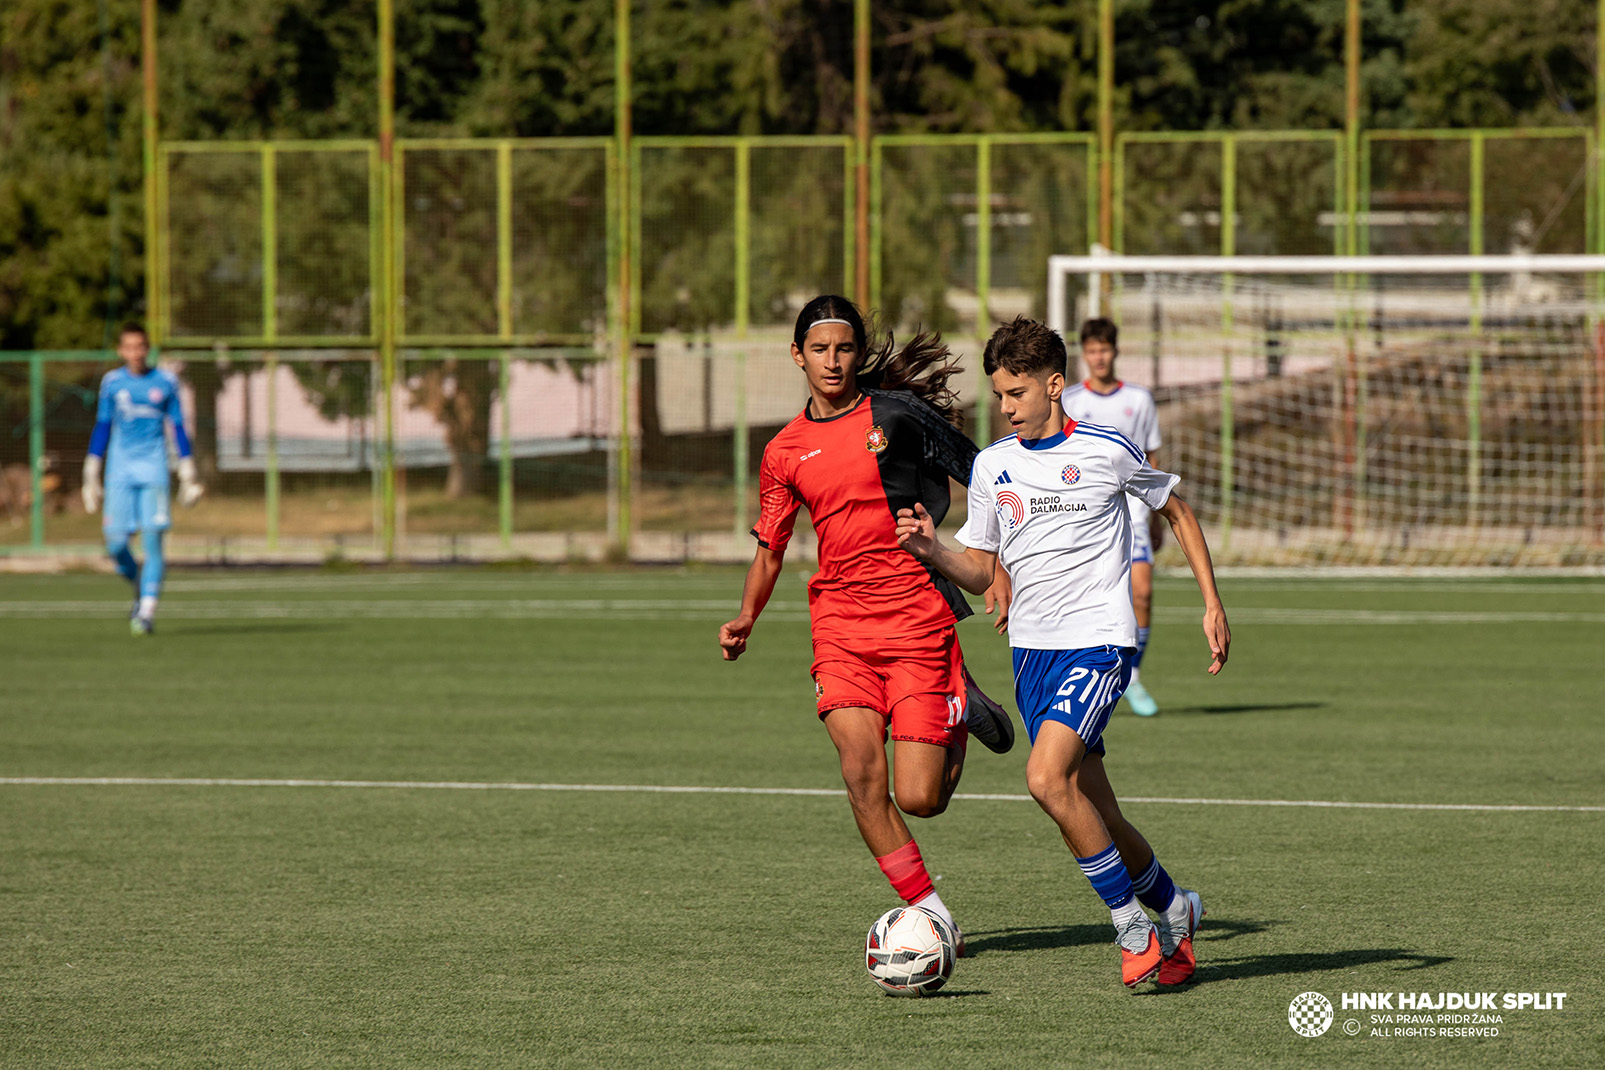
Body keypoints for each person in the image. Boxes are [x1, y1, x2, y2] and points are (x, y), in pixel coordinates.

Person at [895, 316, 1230, 987]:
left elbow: (1178, 510)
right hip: (1031, 655)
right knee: (1094, 811)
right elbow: (982, 567)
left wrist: (1211, 602)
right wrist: (933, 551)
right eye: (997, 394)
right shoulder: (993, 466)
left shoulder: (1107, 450)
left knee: (1045, 779)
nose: (1004, 406)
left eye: (1015, 392)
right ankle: (1174, 906)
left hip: (1098, 643)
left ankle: (1134, 931)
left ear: (1053, 386)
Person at [718, 295, 1014, 950]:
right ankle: (932, 914)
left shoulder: (896, 415)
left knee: (919, 799)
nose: (832, 361)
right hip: (841, 628)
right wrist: (746, 616)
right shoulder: (783, 451)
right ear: (797, 355)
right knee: (859, 771)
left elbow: (987, 476)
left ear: (857, 355)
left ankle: (961, 713)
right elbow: (770, 546)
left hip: (915, 621)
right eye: (819, 349)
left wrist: (993, 564)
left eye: (844, 349)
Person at [1063, 317, 1163, 716]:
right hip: (1087, 514)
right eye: (1091, 350)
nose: (1099, 357)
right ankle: (1081, 674)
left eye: (1104, 349)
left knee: (1142, 593)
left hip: (1134, 512)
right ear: (1084, 354)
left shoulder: (1139, 399)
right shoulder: (1070, 399)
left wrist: (1158, 515)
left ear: (1115, 351)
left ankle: (1133, 677)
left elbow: (1153, 457)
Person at [81, 324, 204, 635]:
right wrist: (91, 469)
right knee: (116, 544)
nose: (135, 353)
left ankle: (146, 611)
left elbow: (177, 426)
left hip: (154, 469)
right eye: (129, 347)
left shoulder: (165, 382)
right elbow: (103, 425)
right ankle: (139, 581)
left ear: (147, 349)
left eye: (141, 347)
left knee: (153, 543)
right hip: (119, 470)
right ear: (121, 351)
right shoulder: (112, 383)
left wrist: (187, 469)